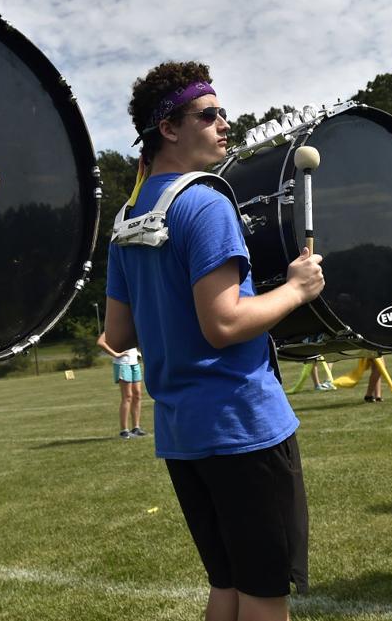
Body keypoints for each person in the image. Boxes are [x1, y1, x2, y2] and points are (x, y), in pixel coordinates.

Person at [101, 61, 325, 621]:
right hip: (242, 426)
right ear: (169, 129)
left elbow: (117, 334)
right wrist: (296, 290)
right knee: (264, 594)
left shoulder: (129, 217)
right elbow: (223, 324)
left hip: (182, 432)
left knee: (227, 583)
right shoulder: (205, 202)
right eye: (210, 114)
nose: (225, 123)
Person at [96, 331, 147, 438]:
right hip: (122, 364)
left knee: (137, 395)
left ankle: (136, 428)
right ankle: (124, 431)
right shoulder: (115, 327)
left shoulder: (132, 325)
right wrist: (116, 354)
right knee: (127, 396)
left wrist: (138, 353)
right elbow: (100, 342)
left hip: (134, 363)